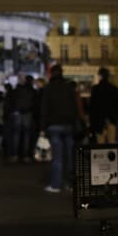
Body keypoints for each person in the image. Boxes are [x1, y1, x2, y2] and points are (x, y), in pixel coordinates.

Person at [40, 64, 83, 193]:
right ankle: (70, 183)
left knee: (57, 157)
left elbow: (44, 109)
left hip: (54, 125)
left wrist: (42, 127)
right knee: (70, 156)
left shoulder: (48, 89)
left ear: (51, 74)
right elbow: (75, 108)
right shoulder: (69, 88)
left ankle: (56, 184)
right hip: (68, 125)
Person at [87, 67, 118, 143]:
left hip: (99, 119)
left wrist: (91, 121)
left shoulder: (96, 89)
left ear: (100, 76)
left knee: (100, 142)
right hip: (111, 118)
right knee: (112, 141)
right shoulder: (114, 89)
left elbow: (92, 106)